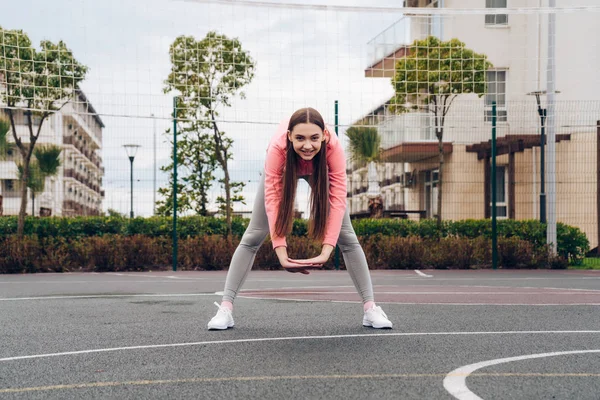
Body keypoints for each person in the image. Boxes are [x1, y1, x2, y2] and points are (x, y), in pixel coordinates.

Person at [207, 107, 392, 330]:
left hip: (319, 169)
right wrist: (281, 253)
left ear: (324, 135)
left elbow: (337, 200)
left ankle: (370, 309)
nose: (307, 145)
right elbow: (274, 202)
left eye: (314, 138)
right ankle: (225, 309)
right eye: (300, 138)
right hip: (284, 169)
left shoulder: (333, 148)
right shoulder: (278, 149)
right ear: (289, 137)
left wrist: (326, 251)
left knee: (347, 237)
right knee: (253, 236)